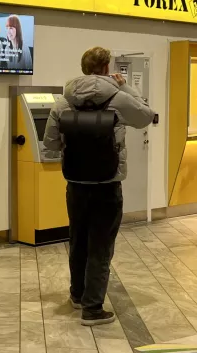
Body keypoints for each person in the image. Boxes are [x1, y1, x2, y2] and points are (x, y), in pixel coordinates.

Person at [44, 47, 156, 326]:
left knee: (78, 240)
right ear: (107, 68)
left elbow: (50, 143)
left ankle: (78, 295)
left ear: (84, 68)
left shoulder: (63, 101)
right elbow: (146, 116)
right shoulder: (117, 98)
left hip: (75, 183)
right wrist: (125, 86)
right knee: (101, 246)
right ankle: (93, 309)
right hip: (107, 183)